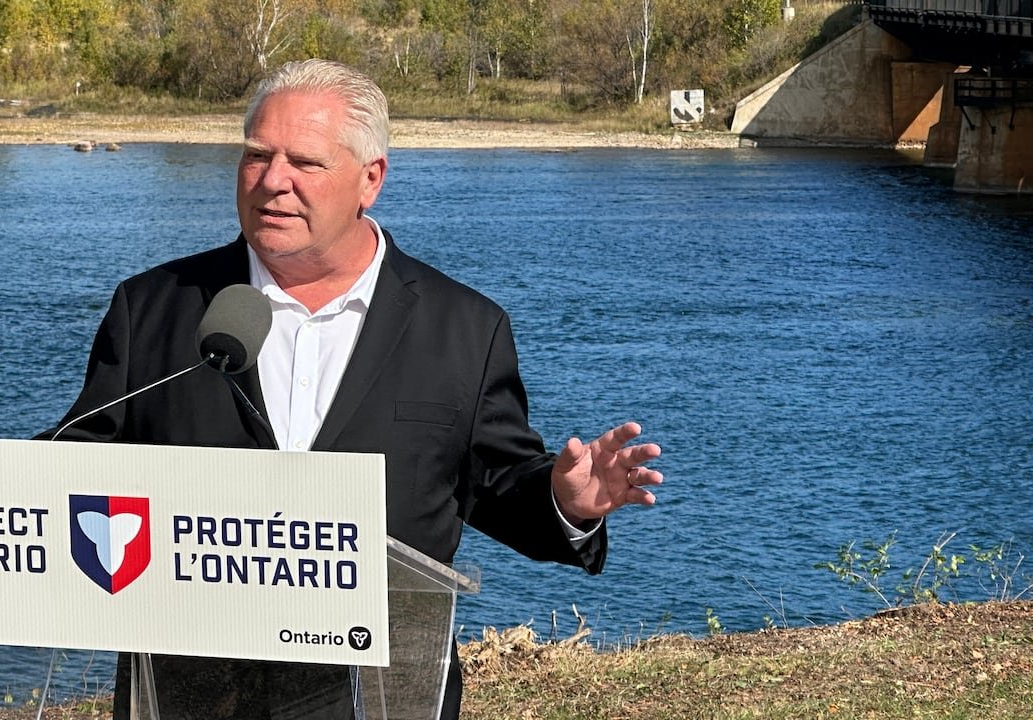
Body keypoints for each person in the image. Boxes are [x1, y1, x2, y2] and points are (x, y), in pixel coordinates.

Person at [44, 58, 662, 720]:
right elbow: (75, 466)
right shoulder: (153, 306)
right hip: (186, 694)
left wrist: (566, 503)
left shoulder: (464, 328)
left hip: (379, 695)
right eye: (256, 155)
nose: (272, 181)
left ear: (371, 179)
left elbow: (495, 483)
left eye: (304, 163)